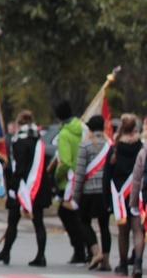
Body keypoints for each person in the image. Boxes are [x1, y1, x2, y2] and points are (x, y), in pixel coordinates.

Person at [0, 110, 51, 267]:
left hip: (22, 188)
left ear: (19, 123)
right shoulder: (39, 140)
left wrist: (13, 186)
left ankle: (6, 253)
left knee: (13, 221)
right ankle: (41, 255)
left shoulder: (19, 140)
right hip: (38, 187)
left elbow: (19, 166)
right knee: (38, 222)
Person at [104, 113, 143, 276]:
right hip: (138, 193)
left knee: (123, 232)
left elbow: (107, 176)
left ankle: (122, 265)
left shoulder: (115, 148)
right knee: (138, 230)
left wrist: (107, 201)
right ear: (135, 129)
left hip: (119, 196)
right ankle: (138, 264)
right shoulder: (141, 147)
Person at [73, 115, 111, 271]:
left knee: (83, 220)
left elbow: (80, 172)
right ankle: (106, 260)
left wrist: (75, 195)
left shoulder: (85, 145)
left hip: (88, 191)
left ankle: (96, 251)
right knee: (104, 225)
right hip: (104, 191)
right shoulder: (109, 145)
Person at [53, 100, 87, 265]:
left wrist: (56, 177)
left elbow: (65, 162)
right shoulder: (81, 129)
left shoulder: (65, 134)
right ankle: (85, 248)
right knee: (77, 216)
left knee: (68, 215)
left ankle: (80, 250)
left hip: (68, 182)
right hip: (82, 177)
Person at [129, 116, 147, 278]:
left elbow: (137, 179)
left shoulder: (144, 151)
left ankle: (138, 262)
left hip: (146, 197)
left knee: (140, 231)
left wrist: (133, 202)